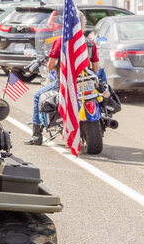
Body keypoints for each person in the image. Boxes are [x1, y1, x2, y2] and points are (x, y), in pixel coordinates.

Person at [26, 12, 100, 145]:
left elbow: (51, 65)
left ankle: (37, 136)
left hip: (66, 81)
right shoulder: (90, 43)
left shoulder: (60, 41)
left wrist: (49, 64)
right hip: (86, 81)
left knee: (37, 96)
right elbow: (95, 69)